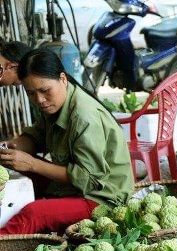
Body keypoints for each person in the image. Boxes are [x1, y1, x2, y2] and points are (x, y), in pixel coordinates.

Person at [0, 48, 134, 234]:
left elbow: (89, 180)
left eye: (44, 90)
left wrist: (31, 164)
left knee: (33, 214)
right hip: (74, 186)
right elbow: (37, 136)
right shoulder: (55, 103)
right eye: (31, 93)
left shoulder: (84, 117)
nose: (39, 100)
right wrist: (10, 147)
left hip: (102, 199)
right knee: (10, 172)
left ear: (63, 79)